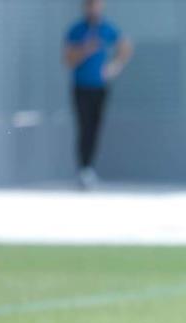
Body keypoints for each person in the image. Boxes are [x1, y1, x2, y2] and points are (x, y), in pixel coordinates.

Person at [63, 0, 132, 190]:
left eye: (96, 5)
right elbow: (68, 59)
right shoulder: (76, 30)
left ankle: (89, 168)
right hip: (81, 87)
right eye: (90, 5)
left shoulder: (106, 28)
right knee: (84, 126)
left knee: (95, 127)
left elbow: (125, 46)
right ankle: (83, 168)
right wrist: (85, 49)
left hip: (100, 87)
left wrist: (114, 67)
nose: (93, 8)